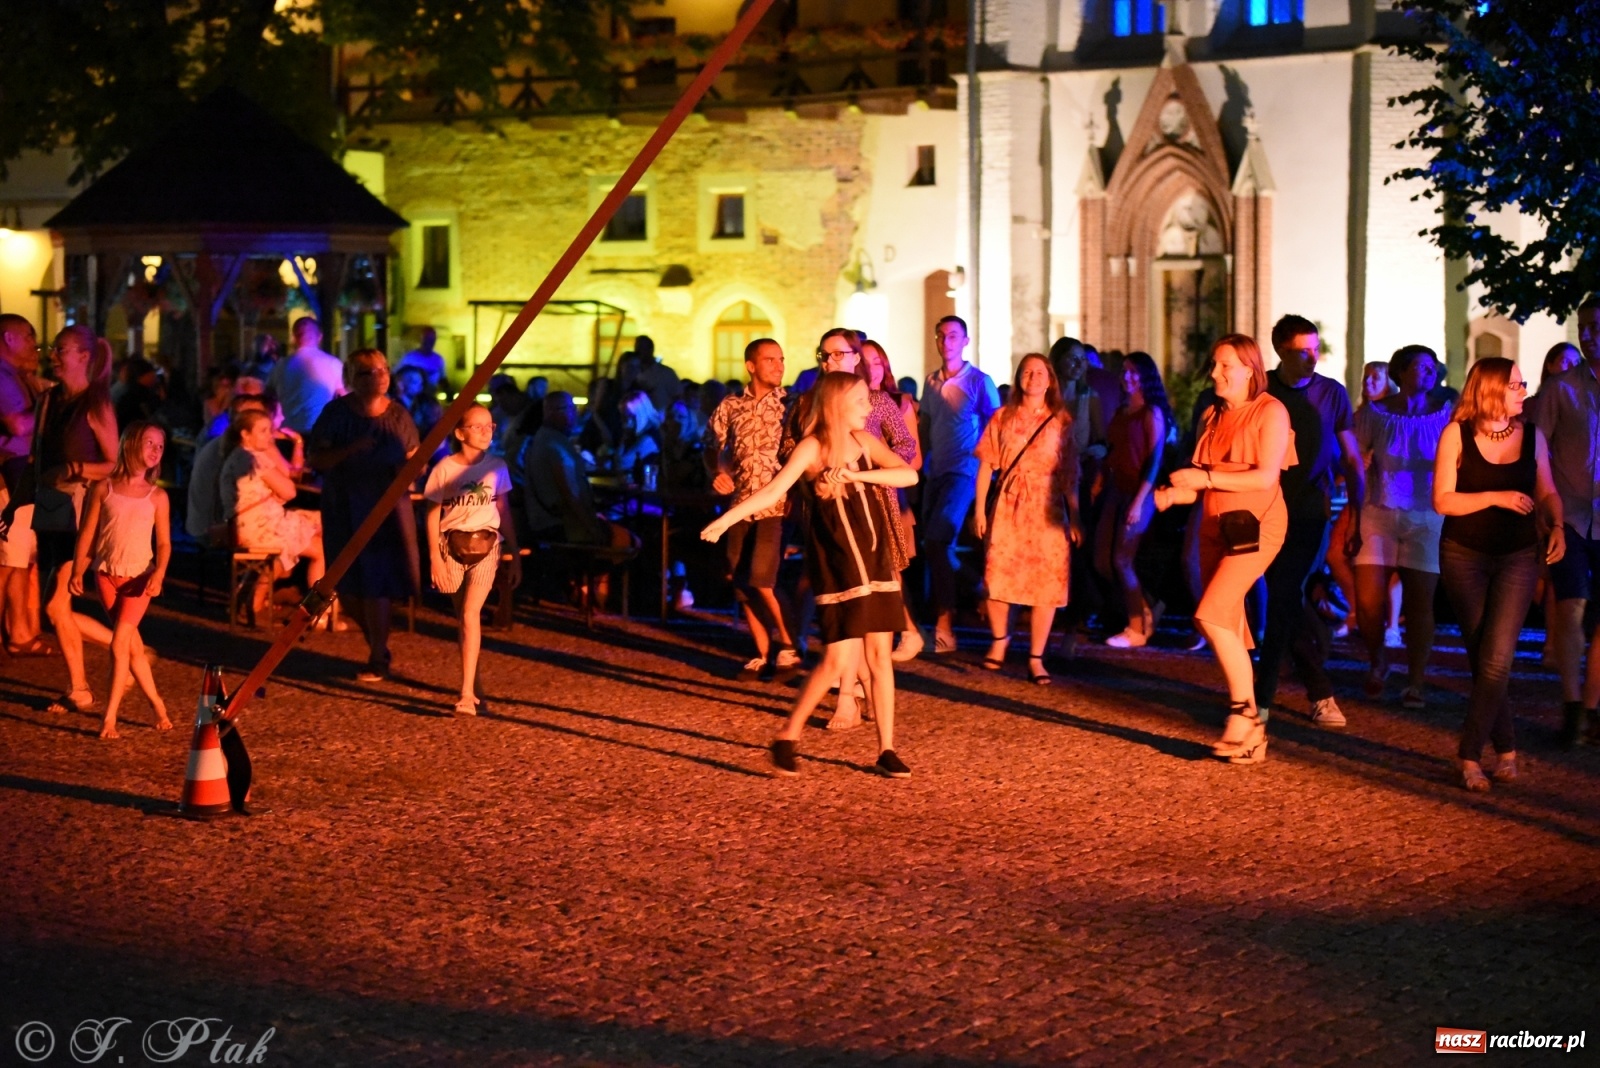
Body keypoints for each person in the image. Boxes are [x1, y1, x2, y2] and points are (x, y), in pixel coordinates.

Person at [702, 372, 918, 778]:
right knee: (837, 660)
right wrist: (727, 520)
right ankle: (787, 735)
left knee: (879, 657)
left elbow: (908, 474)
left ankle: (887, 748)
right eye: (859, 401)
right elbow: (772, 490)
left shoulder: (865, 443)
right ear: (836, 404)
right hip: (837, 564)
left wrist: (857, 476)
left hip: (875, 559)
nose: (868, 408)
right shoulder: (812, 448)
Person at [1155, 335, 1295, 765]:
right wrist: (1170, 494)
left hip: (1257, 527)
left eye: (1225, 365)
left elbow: (1265, 477)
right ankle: (1253, 738)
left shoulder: (1270, 411)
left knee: (1210, 613)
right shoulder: (1212, 416)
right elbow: (1201, 479)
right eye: (1215, 365)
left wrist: (1205, 481)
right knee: (1227, 624)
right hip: (1217, 526)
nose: (1215, 373)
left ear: (1250, 369)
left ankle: (1245, 714)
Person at [1434, 357, 1564, 790]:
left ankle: (1468, 756)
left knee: (1496, 657)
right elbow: (1443, 501)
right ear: (1490, 388)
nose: (1523, 390)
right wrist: (1495, 496)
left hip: (1518, 555)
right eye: (1515, 384)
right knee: (1483, 658)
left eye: (1523, 383)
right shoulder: (1456, 434)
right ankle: (1507, 749)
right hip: (1463, 554)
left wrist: (1557, 525)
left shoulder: (1532, 437)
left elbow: (1546, 490)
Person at [3, 326, 121, 716]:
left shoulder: (97, 403)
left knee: (55, 607)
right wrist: (13, 506)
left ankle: (107, 666)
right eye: (52, 348)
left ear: (84, 356)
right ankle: (90, 681)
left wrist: (75, 467)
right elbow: (36, 461)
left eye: (61, 349)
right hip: (50, 512)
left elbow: (115, 464)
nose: (52, 354)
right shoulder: (49, 400)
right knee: (59, 610)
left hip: (82, 516)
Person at [1256, 314, 1364, 728]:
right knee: (1285, 599)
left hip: (1308, 512)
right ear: (1281, 350)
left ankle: (1266, 698)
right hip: (1264, 509)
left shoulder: (1330, 394)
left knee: (1284, 593)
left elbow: (1351, 456)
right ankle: (1311, 692)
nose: (1312, 358)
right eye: (1303, 351)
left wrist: (1356, 512)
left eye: (1315, 349)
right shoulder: (1262, 389)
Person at [307, 349, 420, 683]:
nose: (380, 376)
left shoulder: (398, 416)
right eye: (370, 372)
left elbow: (416, 458)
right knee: (346, 582)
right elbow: (317, 459)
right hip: (346, 504)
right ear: (353, 378)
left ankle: (377, 658)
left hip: (386, 509)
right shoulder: (337, 414)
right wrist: (349, 451)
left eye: (384, 369)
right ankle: (377, 646)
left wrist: (409, 470)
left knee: (379, 583)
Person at [973, 353, 1081, 684]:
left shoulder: (1062, 421)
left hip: (1047, 507)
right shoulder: (1001, 417)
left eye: (1039, 372)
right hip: (1008, 502)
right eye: (1026, 372)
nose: (1032, 377)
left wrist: (1075, 517)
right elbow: (987, 463)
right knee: (998, 575)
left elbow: (1069, 474)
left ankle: (1036, 657)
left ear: (1050, 380)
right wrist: (979, 510)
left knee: (1046, 583)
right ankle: (999, 641)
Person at [1353, 345, 1451, 707]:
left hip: (1426, 516)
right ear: (1401, 372)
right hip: (1378, 511)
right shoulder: (1375, 414)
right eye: (1419, 367)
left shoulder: (1445, 415)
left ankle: (1416, 680)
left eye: (1431, 367)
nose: (1427, 373)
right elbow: (1355, 458)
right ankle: (1378, 659)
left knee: (1420, 601)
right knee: (1368, 600)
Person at [705, 339, 802, 677]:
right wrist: (718, 471)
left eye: (781, 358)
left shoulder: (792, 405)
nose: (778, 365)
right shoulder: (730, 406)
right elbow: (713, 447)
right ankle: (762, 652)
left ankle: (790, 646)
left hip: (777, 505)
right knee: (741, 581)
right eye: (770, 359)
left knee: (763, 578)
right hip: (740, 504)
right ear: (750, 366)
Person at [69, 422, 171, 738]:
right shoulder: (104, 489)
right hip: (106, 575)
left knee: (118, 643)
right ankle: (159, 707)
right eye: (149, 443)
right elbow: (89, 532)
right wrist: (77, 569)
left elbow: (164, 543)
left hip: (139, 577)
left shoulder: (157, 496)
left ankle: (109, 718)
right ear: (129, 445)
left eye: (160, 446)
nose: (155, 450)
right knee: (134, 647)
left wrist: (159, 573)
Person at [1532, 295, 1600, 747]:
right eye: (1584, 325)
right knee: (1571, 607)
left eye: (1596, 325)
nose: (1588, 335)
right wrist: (1548, 505)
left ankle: (1591, 710)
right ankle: (1573, 704)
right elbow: (1537, 450)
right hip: (1570, 517)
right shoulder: (1561, 389)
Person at [424, 403, 519, 717]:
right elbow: (431, 513)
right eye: (477, 426)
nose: (485, 431)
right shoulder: (446, 469)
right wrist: (435, 559)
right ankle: (472, 683)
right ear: (460, 432)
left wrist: (514, 553)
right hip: (452, 545)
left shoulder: (497, 466)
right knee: (463, 618)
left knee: (470, 613)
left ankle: (466, 694)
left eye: (489, 425)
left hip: (487, 545)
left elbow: (503, 511)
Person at [921, 316, 1000, 653]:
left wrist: (990, 472)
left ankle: (945, 624)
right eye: (941, 335)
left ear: (965, 341)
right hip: (936, 471)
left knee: (939, 542)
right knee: (934, 546)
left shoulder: (980, 381)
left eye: (953, 335)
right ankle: (981, 587)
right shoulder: (931, 381)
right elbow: (926, 423)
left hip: (965, 471)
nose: (946, 341)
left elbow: (997, 426)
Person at [1096, 351, 1170, 648]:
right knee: (1102, 559)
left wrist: (1140, 501)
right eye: (1124, 370)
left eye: (1134, 372)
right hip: (1116, 488)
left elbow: (1154, 460)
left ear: (1146, 376)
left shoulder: (1151, 412)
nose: (1127, 377)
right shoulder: (1121, 410)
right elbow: (1114, 449)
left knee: (1122, 559)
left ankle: (1137, 627)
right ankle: (1148, 605)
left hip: (1141, 491)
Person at [220, 409, 323, 613]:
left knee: (314, 524)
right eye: (264, 431)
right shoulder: (254, 459)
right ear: (245, 434)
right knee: (321, 549)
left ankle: (253, 600)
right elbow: (290, 490)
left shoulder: (237, 456)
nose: (270, 436)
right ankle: (317, 612)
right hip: (260, 528)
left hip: (246, 526)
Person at [1327, 360, 1396, 642]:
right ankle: (1357, 611)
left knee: (1388, 561)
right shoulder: (1357, 414)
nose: (1368, 382)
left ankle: (1389, 624)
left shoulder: (1395, 415)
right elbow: (1350, 457)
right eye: (1365, 376)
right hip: (1359, 495)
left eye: (1375, 377)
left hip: (1387, 497)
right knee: (1336, 552)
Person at [524, 392, 635, 549]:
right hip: (561, 526)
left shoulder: (542, 439)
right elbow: (570, 494)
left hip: (544, 522)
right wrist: (593, 529)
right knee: (629, 542)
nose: (575, 412)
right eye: (571, 408)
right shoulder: (556, 447)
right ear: (552, 412)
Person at [0, 313, 47, 655]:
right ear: (10, 339)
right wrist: (53, 405)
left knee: (17, 561)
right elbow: (17, 425)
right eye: (28, 336)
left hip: (16, 478)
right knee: (6, 564)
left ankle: (19, 632)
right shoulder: (2, 376)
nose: (34, 343)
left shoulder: (15, 375)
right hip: (6, 481)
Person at [186, 393, 270, 544]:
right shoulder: (239, 451)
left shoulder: (226, 443)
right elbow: (288, 490)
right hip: (215, 530)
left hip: (204, 526)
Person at [268, 318, 345, 434]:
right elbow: (343, 396)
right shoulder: (333, 363)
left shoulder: (280, 365)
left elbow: (269, 395)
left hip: (288, 432)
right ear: (319, 336)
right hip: (321, 431)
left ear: (294, 337)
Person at [632, 335, 681, 414]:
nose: (638, 351)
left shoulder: (666, 373)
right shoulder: (632, 373)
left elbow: (678, 396)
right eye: (637, 348)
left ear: (651, 350)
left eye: (642, 348)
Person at [396, 326, 447, 395]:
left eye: (432, 340)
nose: (429, 342)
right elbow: (398, 375)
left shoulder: (438, 360)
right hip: (414, 397)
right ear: (421, 339)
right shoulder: (410, 358)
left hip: (431, 396)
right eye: (427, 339)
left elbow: (442, 379)